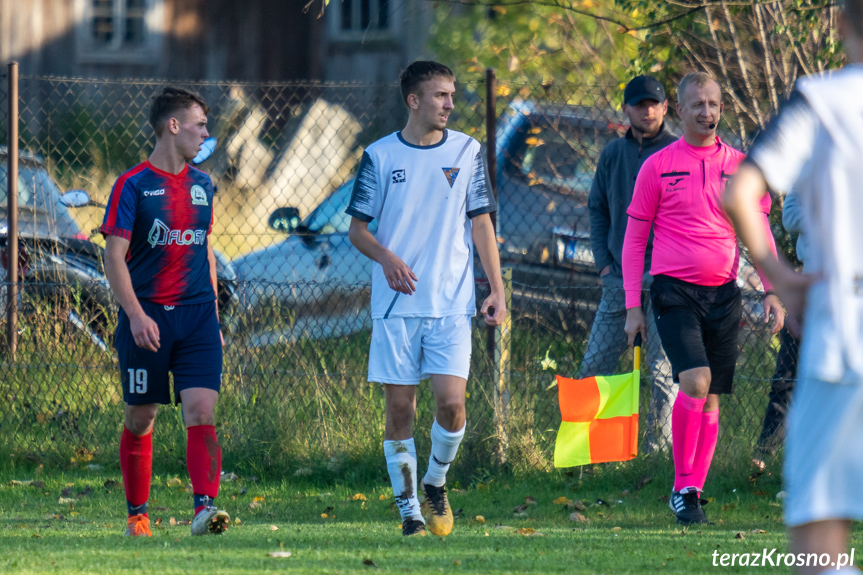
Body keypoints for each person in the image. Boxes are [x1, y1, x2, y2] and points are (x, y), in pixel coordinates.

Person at [725, 1, 863, 570]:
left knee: (817, 523)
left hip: (846, 323)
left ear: (839, 22)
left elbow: (739, 193)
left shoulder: (824, 101)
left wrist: (780, 276)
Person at [346, 61, 506, 538]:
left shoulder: (467, 151)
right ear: (413, 101)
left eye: (452, 95)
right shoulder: (379, 156)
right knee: (400, 412)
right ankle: (409, 508)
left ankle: (435, 482)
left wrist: (495, 288)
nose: (450, 104)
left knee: (452, 406)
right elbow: (357, 231)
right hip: (396, 308)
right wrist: (388, 260)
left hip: (451, 305)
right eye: (440, 96)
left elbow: (481, 223)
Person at [622, 72, 784, 525]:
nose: (706, 112)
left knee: (711, 396)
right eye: (697, 104)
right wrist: (633, 305)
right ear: (680, 109)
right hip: (673, 291)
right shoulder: (657, 165)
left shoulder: (741, 167)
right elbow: (635, 239)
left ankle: (693, 489)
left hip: (724, 294)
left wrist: (772, 290)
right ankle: (681, 488)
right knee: (694, 380)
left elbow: (761, 233)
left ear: (721, 108)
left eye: (713, 104)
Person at [101, 87, 229, 537]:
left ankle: (205, 509)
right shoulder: (132, 185)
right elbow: (113, 257)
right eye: (199, 125)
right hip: (148, 316)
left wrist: (213, 317)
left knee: (201, 410)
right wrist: (135, 315)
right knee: (142, 417)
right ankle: (138, 515)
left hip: (197, 318)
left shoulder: (203, 184)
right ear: (173, 126)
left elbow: (206, 250)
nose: (205, 134)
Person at [581, 75, 677, 453]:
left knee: (662, 374)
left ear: (666, 108)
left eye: (654, 103)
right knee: (595, 366)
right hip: (619, 280)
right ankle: (596, 450)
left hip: (668, 281)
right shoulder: (612, 155)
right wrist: (605, 265)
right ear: (626, 109)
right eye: (640, 104)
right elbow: (597, 209)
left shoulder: (677, 151)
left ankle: (659, 456)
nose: (648, 110)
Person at [752, 191, 807, 469]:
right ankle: (765, 454)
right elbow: (791, 216)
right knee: (787, 373)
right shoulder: (815, 161)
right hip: (812, 282)